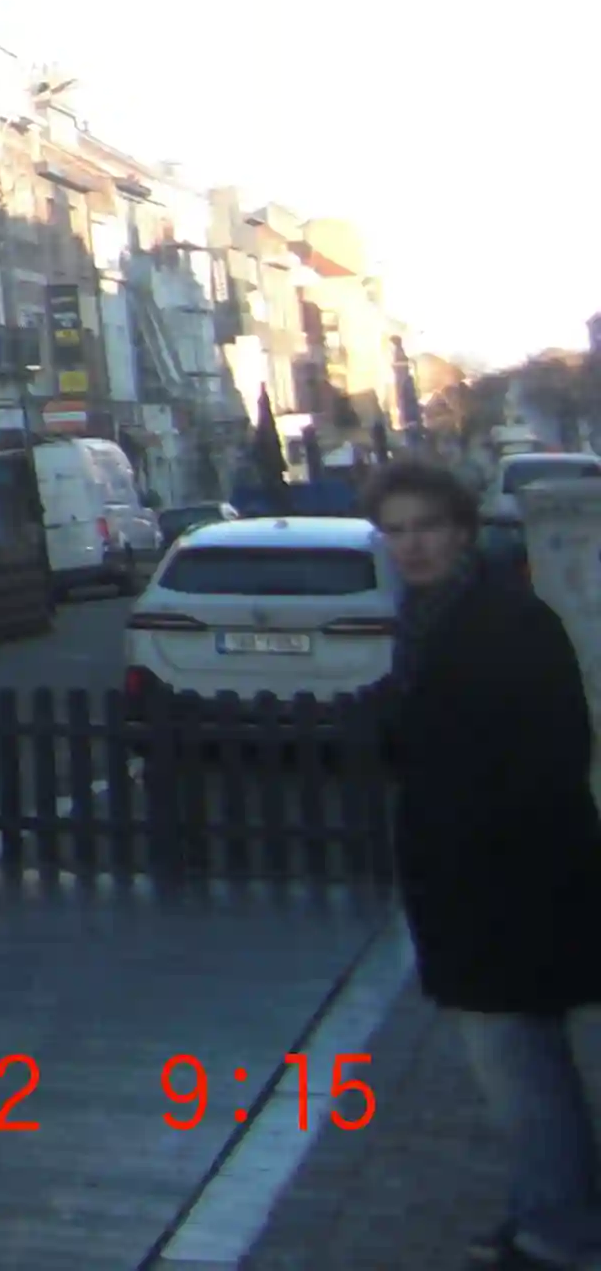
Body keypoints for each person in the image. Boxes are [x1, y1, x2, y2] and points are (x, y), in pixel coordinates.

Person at [372, 459, 601, 1269]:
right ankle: (551, 1208)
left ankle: (559, 1231)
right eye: (396, 531)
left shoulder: (504, 619)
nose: (412, 545)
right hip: (472, 887)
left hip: (511, 889)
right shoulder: (428, 617)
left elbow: (553, 753)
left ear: (463, 530)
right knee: (525, 1067)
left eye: (427, 527)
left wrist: (482, 847)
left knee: (520, 1071)